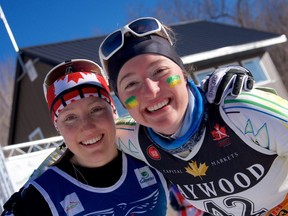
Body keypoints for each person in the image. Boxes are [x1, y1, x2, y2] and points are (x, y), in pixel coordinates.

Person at [98, 16, 288, 215]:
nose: (150, 91)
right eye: (131, 84)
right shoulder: (132, 138)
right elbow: (86, 137)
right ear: (121, 100)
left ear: (183, 74)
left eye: (159, 71)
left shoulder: (240, 111)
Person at [2, 59, 170, 216]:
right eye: (70, 118)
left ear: (113, 111)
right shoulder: (40, 197)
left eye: (96, 109)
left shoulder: (153, 156)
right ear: (58, 128)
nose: (88, 127)